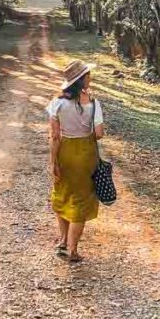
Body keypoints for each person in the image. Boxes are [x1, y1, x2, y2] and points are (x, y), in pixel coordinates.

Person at [45, 59, 104, 263]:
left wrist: (53, 162)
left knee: (63, 195)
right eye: (88, 75)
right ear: (81, 80)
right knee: (81, 200)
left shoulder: (56, 103)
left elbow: (54, 137)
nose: (90, 78)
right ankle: (73, 250)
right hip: (86, 154)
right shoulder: (94, 103)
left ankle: (62, 241)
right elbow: (99, 134)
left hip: (65, 151)